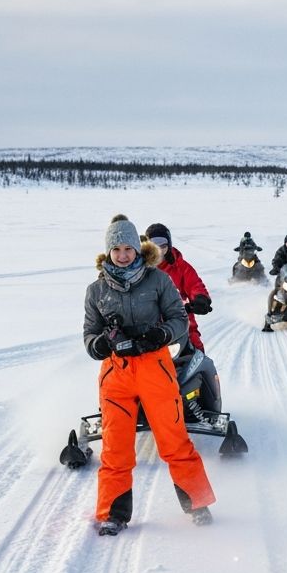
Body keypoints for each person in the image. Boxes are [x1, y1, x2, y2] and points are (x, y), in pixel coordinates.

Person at [83, 214, 216, 535]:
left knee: (175, 441)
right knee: (115, 448)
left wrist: (159, 335)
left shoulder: (159, 280)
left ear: (138, 249)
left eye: (129, 247)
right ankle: (113, 514)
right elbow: (89, 336)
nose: (123, 254)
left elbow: (178, 320)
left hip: (156, 367)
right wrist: (103, 342)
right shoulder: (96, 290)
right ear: (108, 252)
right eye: (117, 249)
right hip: (117, 374)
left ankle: (197, 503)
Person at [145, 221, 212, 352]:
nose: (159, 250)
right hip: (148, 327)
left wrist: (200, 298)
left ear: (169, 245)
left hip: (181, 320)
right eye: (154, 245)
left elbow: (194, 284)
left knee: (197, 350)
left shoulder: (181, 267)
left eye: (163, 245)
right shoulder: (141, 268)